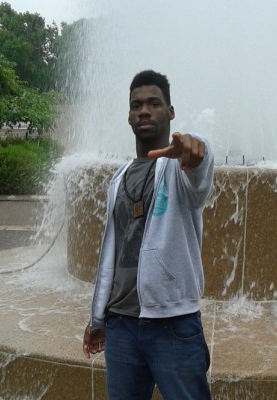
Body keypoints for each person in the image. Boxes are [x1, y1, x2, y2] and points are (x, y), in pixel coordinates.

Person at [82, 69, 214, 400]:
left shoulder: (180, 169)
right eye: (136, 105)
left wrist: (196, 148)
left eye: (154, 103)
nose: (144, 110)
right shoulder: (119, 178)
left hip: (173, 323)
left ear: (170, 112)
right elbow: (112, 252)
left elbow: (200, 168)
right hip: (120, 324)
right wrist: (98, 317)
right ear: (129, 116)